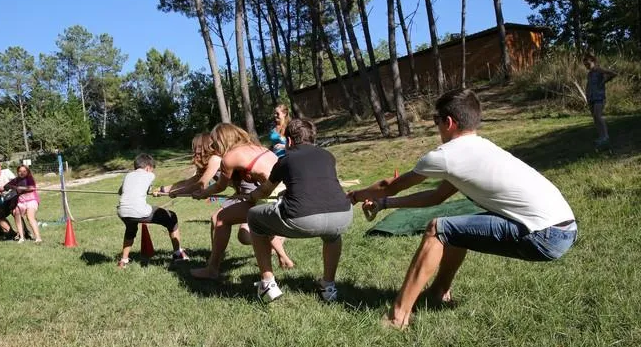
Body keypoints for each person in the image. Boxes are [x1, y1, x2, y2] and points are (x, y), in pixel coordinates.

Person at [349, 89, 577, 329]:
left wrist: (354, 196)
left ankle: (398, 317)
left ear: (449, 122)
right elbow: (436, 196)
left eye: (436, 121)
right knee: (454, 229)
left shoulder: (446, 155)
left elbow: (388, 186)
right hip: (565, 229)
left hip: (544, 235)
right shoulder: (482, 148)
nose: (436, 127)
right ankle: (438, 293)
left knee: (438, 228)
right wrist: (385, 205)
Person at [246, 119, 353, 303]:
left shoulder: (285, 160)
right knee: (332, 234)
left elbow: (265, 191)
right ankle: (328, 286)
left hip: (302, 219)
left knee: (254, 218)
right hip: (343, 215)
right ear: (313, 138)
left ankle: (267, 284)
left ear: (288, 141)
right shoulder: (328, 156)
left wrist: (249, 197)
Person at [190, 123, 293, 280]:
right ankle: (281, 254)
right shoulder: (257, 147)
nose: (212, 146)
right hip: (285, 194)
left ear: (222, 140)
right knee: (241, 225)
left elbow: (220, 186)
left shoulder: (230, 157)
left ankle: (212, 269)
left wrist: (202, 193)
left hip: (272, 197)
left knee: (221, 218)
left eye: (214, 142)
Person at [117, 153, 189, 266]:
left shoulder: (128, 175)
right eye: (152, 169)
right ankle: (178, 254)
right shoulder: (150, 175)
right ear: (148, 168)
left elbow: (120, 192)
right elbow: (149, 188)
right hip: (139, 210)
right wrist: (154, 191)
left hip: (122, 211)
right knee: (171, 217)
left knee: (131, 229)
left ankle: (124, 260)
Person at [155, 133, 221, 197]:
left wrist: (177, 192)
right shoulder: (209, 162)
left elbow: (200, 185)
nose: (195, 150)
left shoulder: (216, 159)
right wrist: (163, 189)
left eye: (196, 147)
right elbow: (190, 182)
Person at [583, 53, 617, 147]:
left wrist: (604, 81)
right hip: (591, 97)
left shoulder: (599, 70)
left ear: (593, 61)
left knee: (598, 115)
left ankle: (606, 136)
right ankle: (601, 137)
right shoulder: (589, 74)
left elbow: (613, 73)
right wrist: (587, 95)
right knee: (595, 118)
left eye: (588, 64)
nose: (587, 66)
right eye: (585, 65)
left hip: (599, 97)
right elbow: (589, 85)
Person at [8, 165, 42, 243]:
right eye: (20, 171)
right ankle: (21, 237)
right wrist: (8, 187)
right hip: (21, 202)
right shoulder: (16, 180)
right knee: (16, 214)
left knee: (30, 217)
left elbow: (32, 188)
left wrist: (20, 188)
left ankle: (38, 238)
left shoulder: (30, 178)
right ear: (17, 172)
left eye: (24, 171)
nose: (22, 173)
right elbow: (7, 185)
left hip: (32, 200)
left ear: (27, 172)